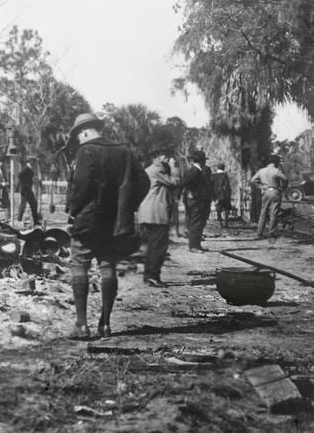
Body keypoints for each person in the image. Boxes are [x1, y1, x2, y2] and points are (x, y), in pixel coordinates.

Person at [65, 112, 148, 339]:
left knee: (80, 264)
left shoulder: (86, 151)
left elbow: (81, 187)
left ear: (84, 132)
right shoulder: (124, 151)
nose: (79, 141)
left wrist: (73, 210)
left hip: (87, 221)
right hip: (113, 223)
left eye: (78, 136)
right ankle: (105, 324)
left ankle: (82, 325)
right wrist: (126, 206)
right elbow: (143, 182)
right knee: (107, 266)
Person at [137, 152, 180, 288]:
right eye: (163, 157)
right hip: (156, 214)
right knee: (159, 247)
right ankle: (153, 277)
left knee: (152, 246)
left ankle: (148, 275)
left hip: (148, 213)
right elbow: (175, 182)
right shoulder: (158, 170)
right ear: (155, 158)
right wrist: (174, 167)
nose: (166, 159)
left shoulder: (149, 169)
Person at [180, 149, 214, 253]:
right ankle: (193, 246)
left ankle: (197, 245)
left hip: (200, 200)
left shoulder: (196, 170)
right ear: (201, 160)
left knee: (199, 223)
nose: (205, 162)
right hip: (196, 201)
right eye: (204, 160)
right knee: (196, 223)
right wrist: (194, 193)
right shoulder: (194, 170)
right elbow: (185, 182)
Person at [251, 154, 288, 239]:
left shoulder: (262, 170)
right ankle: (271, 233)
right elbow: (285, 179)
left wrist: (261, 186)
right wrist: (283, 188)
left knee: (263, 212)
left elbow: (253, 180)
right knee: (274, 213)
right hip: (275, 192)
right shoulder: (277, 171)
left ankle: (259, 233)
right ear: (276, 162)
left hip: (266, 192)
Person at [17, 160, 42, 226]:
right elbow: (20, 176)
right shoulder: (26, 169)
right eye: (32, 163)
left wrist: (32, 180)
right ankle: (20, 220)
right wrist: (25, 184)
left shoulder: (29, 169)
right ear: (29, 163)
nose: (33, 165)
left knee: (30, 205)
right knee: (28, 205)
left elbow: (27, 178)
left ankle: (35, 221)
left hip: (27, 190)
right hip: (25, 190)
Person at [211, 163, 232, 228]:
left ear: (217, 168)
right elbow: (227, 185)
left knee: (218, 209)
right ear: (224, 168)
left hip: (217, 195)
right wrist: (229, 193)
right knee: (227, 208)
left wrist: (213, 196)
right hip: (224, 194)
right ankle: (225, 222)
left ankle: (220, 223)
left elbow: (212, 185)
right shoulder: (224, 175)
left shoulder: (213, 175)